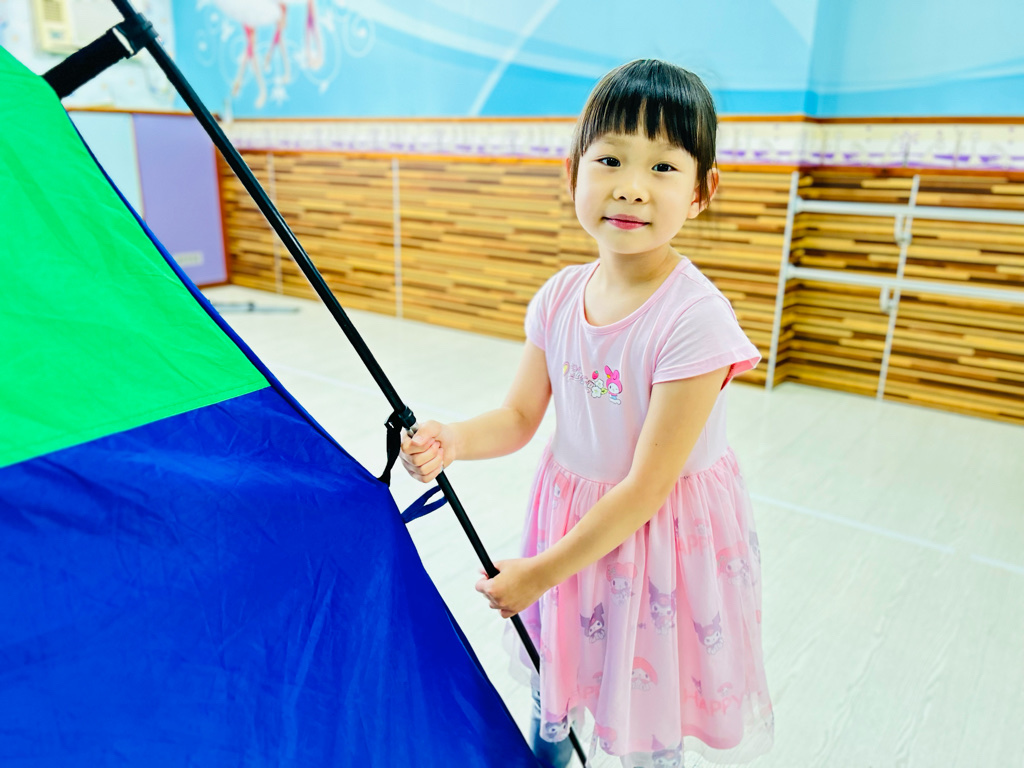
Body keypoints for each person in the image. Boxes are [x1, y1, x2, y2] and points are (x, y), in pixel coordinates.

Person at [400, 59, 774, 768]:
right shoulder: (559, 296)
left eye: (663, 167)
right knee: (558, 677)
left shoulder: (696, 320)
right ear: (572, 172)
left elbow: (647, 489)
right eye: (610, 160)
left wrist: (541, 572)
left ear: (702, 191)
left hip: (655, 538)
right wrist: (454, 439)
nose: (631, 186)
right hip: (570, 521)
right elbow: (519, 416)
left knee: (646, 711)